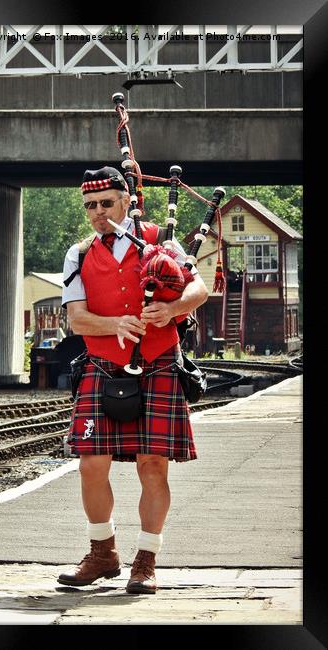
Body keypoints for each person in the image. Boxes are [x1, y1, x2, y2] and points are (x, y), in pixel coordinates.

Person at [58, 166, 208, 594]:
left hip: (159, 362)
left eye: (107, 203)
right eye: (90, 205)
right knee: (91, 464)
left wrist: (173, 308)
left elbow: (200, 289)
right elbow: (77, 317)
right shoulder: (79, 253)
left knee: (153, 466)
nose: (99, 212)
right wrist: (114, 324)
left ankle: (146, 560)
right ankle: (103, 552)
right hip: (102, 365)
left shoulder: (161, 241)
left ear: (127, 200)